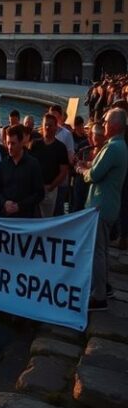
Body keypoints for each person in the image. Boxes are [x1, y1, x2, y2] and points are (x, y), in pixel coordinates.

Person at [79, 108, 128, 310]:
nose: (104, 125)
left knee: (97, 252)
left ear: (115, 125)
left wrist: (83, 170)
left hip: (100, 206)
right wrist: (90, 164)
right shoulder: (119, 146)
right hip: (108, 206)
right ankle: (104, 286)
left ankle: (98, 297)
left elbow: (96, 174)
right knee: (103, 250)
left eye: (106, 121)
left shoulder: (113, 148)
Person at [0, 125, 44, 218]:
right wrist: (4, 203)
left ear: (21, 143)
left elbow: (40, 194)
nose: (9, 147)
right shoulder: (3, 164)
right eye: (8, 143)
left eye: (13, 143)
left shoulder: (33, 164)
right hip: (5, 216)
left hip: (25, 218)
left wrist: (19, 206)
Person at [29, 113, 70, 218]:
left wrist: (51, 187)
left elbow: (63, 171)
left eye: (50, 125)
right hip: (33, 189)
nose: (47, 127)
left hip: (50, 190)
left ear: (56, 127)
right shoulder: (34, 144)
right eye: (45, 125)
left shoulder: (61, 148)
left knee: (47, 218)